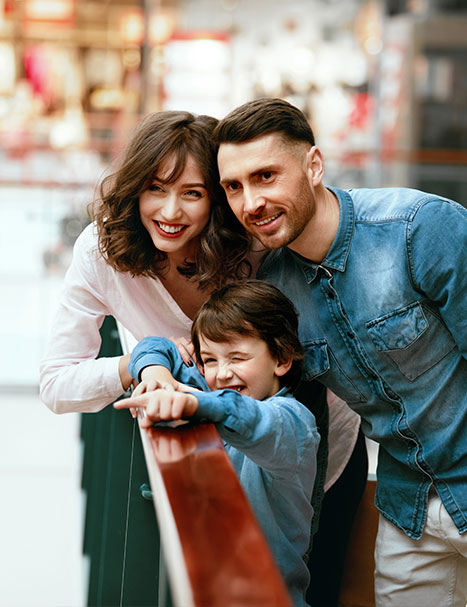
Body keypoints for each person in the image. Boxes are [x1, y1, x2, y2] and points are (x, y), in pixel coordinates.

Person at [213, 97, 467, 607]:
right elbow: (234, 366)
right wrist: (157, 362)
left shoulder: (419, 228)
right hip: (408, 508)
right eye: (233, 187)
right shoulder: (276, 288)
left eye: (266, 176)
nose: (250, 203)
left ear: (314, 165)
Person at [115, 279, 320, 607]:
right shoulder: (211, 391)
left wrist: (194, 404)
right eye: (209, 360)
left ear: (281, 358)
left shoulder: (293, 423)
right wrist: (157, 377)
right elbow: (155, 345)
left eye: (237, 357)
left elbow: (249, 418)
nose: (221, 374)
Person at [39, 110, 252, 414]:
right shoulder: (100, 249)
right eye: (156, 188)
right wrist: (140, 359)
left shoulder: (249, 244)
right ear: (135, 187)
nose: (170, 211)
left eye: (192, 193)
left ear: (215, 199)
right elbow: (55, 385)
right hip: (191, 436)